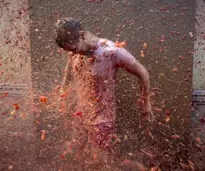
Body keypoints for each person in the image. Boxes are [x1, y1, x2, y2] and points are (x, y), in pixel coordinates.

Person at [53, 17, 153, 168]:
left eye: (73, 49)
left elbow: (143, 72)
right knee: (78, 154)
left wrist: (146, 101)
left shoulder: (112, 51)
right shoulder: (74, 50)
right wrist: (62, 93)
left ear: (83, 35)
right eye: (69, 51)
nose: (73, 53)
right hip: (81, 112)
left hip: (102, 116)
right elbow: (68, 71)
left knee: (99, 161)